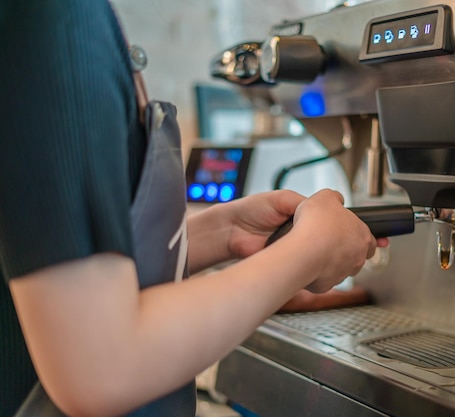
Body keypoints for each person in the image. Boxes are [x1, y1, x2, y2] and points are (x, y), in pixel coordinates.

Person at [0, 1, 388, 416]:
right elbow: (100, 367)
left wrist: (220, 233)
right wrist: (310, 251)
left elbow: (49, 248)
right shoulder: (55, 19)